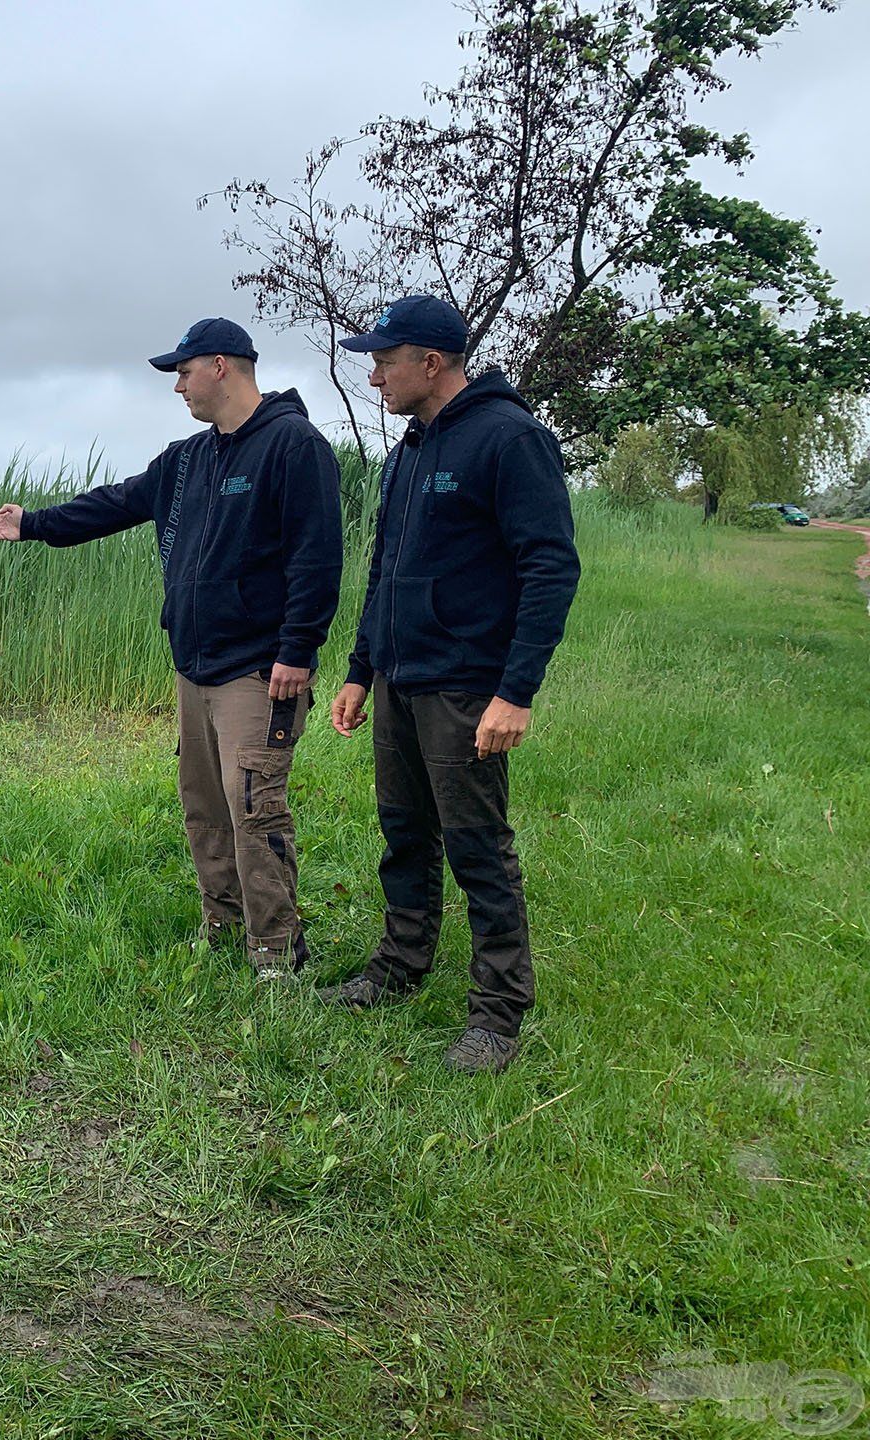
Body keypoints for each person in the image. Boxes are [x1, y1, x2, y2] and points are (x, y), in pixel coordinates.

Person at [0, 318, 342, 979]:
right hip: (194, 667)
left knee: (255, 808)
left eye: (183, 371)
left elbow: (317, 557)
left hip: (257, 671)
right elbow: (113, 505)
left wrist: (298, 649)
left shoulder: (293, 446)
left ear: (222, 366)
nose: (178, 386)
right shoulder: (187, 460)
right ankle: (224, 928)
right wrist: (31, 524)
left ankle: (276, 955)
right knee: (204, 807)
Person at [318, 295, 580, 1073]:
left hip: (467, 686)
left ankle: (497, 1017)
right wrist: (362, 671)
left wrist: (516, 691)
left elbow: (550, 567)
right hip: (400, 680)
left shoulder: (511, 439)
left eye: (384, 361)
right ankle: (398, 968)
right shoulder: (407, 450)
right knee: (404, 835)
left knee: (476, 846)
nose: (374, 377)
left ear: (431, 363)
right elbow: (386, 570)